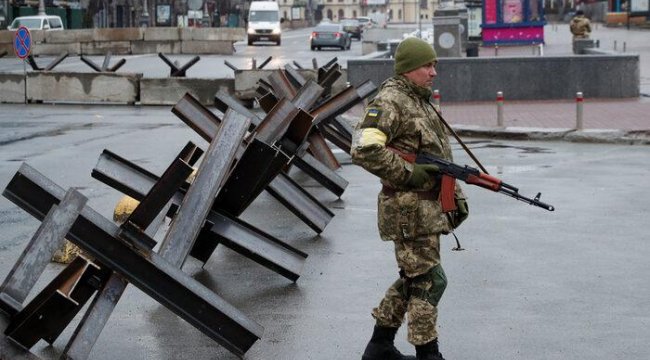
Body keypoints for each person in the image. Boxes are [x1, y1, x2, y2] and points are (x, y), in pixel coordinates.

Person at [351, 37, 469, 360]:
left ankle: (379, 345)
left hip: (425, 211)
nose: (433, 72)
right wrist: (408, 173)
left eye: (435, 65)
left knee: (414, 279)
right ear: (408, 69)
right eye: (427, 66)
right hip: (407, 211)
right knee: (430, 280)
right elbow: (363, 148)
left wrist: (452, 200)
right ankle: (427, 353)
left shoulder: (419, 100)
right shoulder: (390, 102)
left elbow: (434, 159)